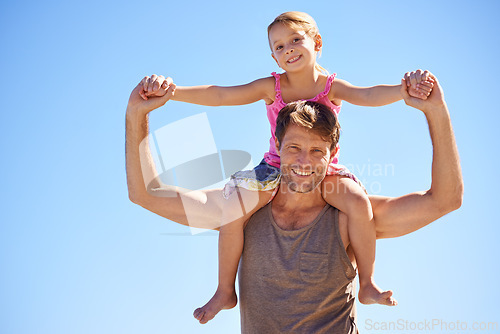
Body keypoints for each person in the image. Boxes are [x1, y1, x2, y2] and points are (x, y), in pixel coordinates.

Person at [137, 11, 435, 323]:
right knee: (233, 207)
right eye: (279, 47)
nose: (288, 49)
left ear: (316, 43)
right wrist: (173, 93)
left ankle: (368, 283)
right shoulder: (272, 86)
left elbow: (369, 94)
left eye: (295, 40)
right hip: (274, 170)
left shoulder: (331, 86)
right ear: (274, 56)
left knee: (359, 202)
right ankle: (225, 291)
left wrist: (404, 91)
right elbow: (222, 94)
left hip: (323, 170)